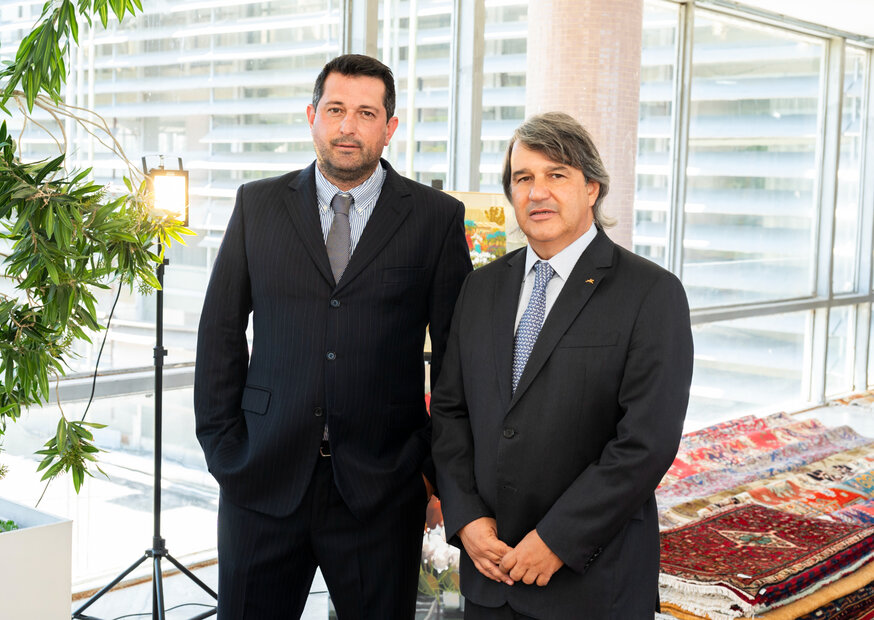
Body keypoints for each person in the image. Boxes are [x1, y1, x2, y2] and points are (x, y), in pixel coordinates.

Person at [194, 54, 472, 619]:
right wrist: (222, 445)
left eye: (366, 113)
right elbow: (220, 331)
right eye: (336, 109)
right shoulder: (257, 205)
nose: (348, 126)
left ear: (389, 127)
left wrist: (435, 474)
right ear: (312, 116)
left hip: (382, 486)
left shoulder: (436, 219)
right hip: (262, 478)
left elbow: (454, 360)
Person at [431, 111, 693, 619]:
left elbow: (645, 442)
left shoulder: (651, 294)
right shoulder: (481, 288)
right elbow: (451, 412)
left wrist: (556, 539)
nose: (537, 192)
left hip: (590, 584)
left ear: (592, 188)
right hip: (489, 577)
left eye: (557, 175)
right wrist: (466, 520)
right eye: (523, 178)